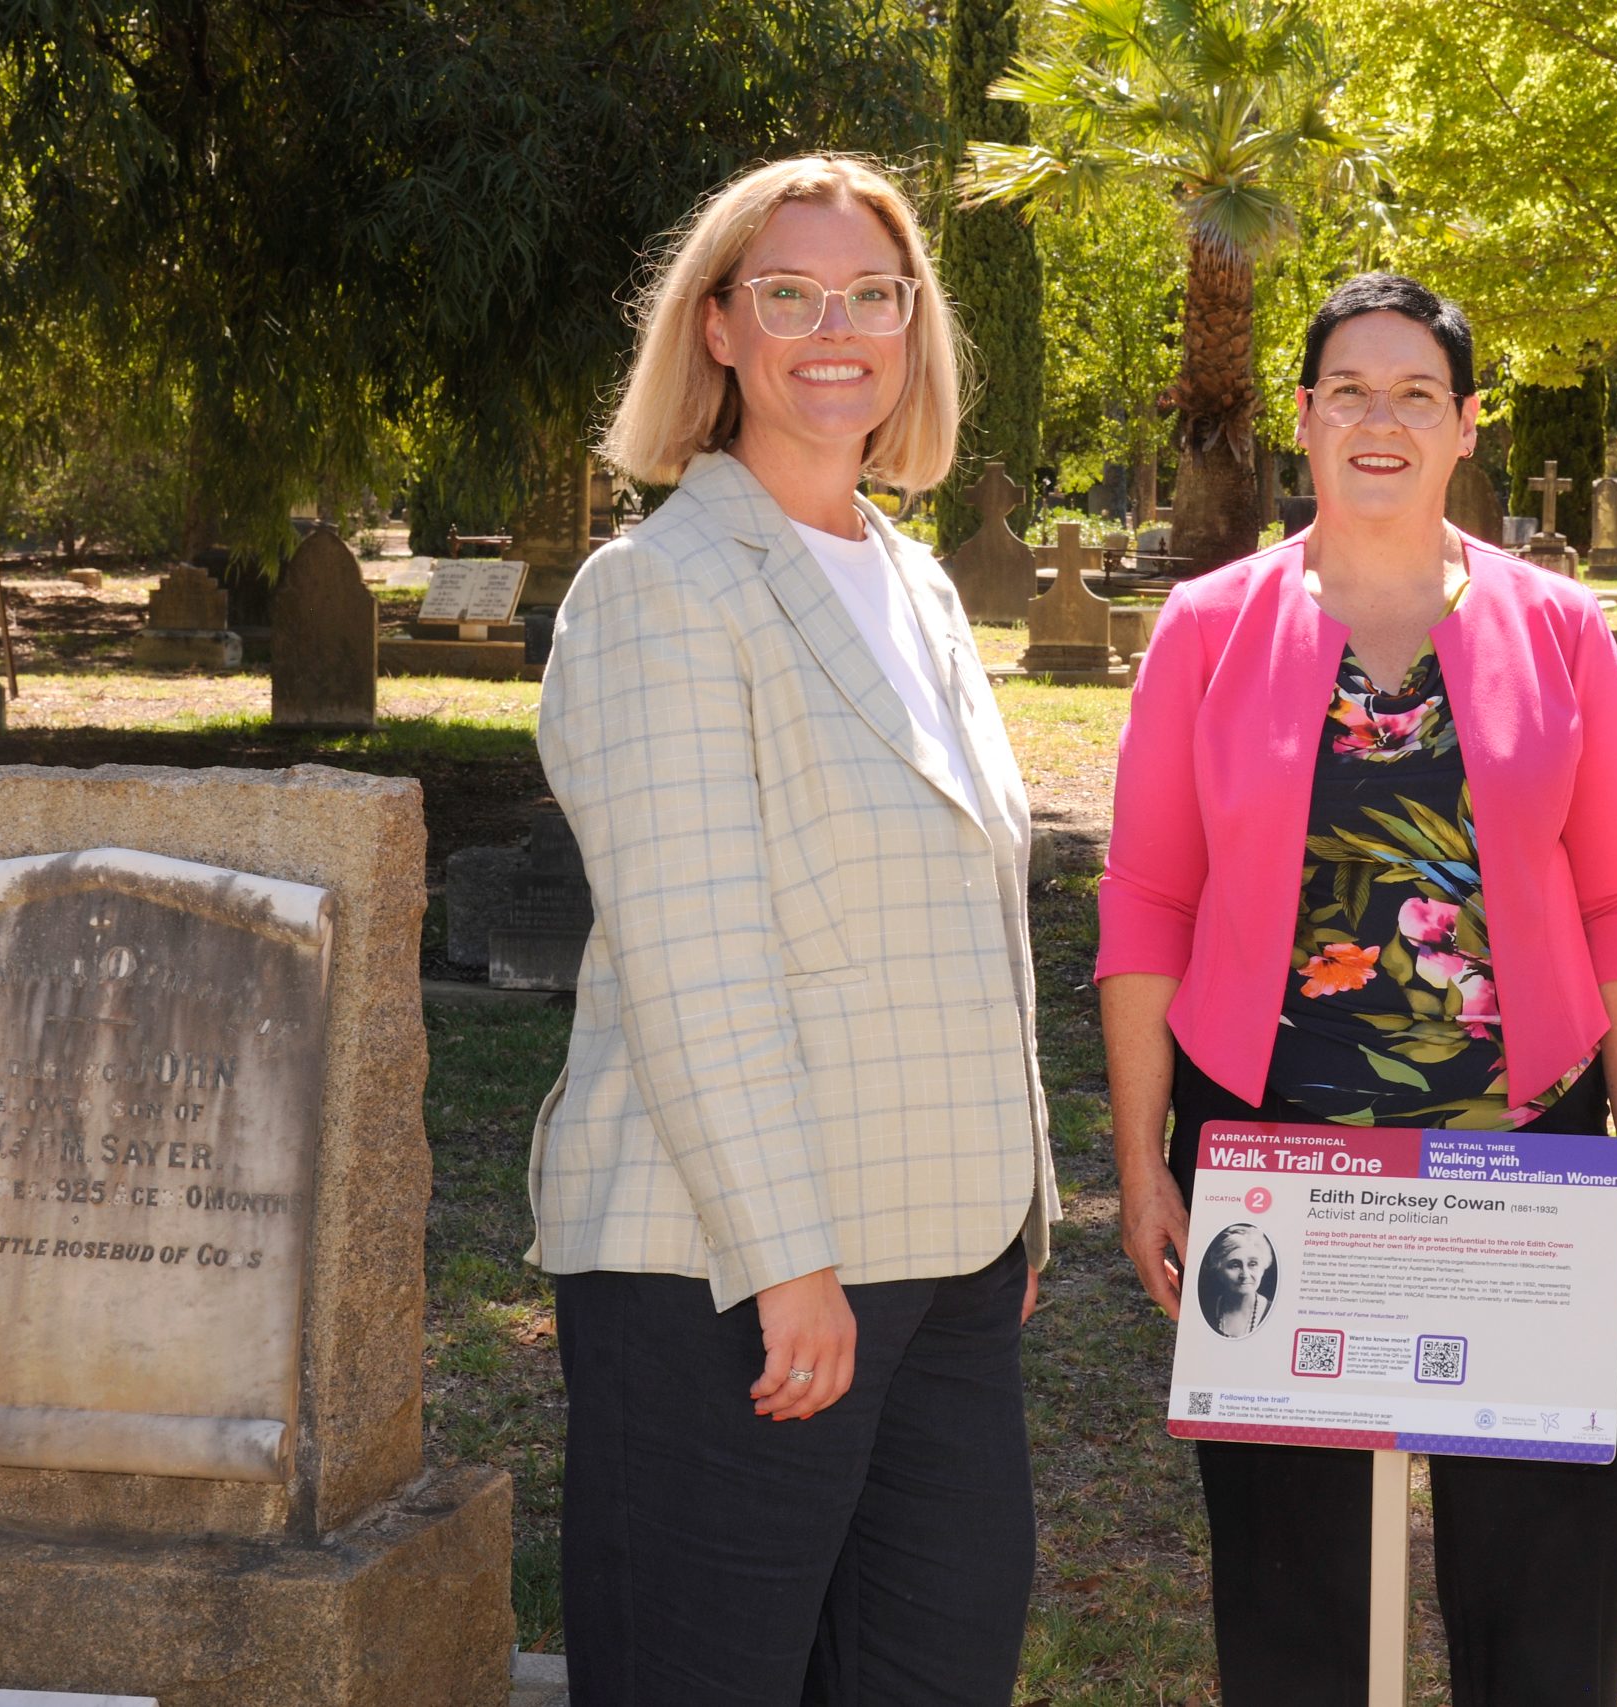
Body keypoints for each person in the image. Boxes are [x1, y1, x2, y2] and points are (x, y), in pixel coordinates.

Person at [528, 153, 1058, 1707]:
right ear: (717, 329)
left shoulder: (919, 584)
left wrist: (1017, 1197)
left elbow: (967, 916)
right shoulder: (662, 590)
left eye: (873, 295)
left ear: (913, 325)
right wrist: (790, 1265)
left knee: (936, 1665)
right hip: (738, 1277)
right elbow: (699, 960)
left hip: (947, 1260)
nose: (838, 329)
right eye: (789, 295)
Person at [1096, 272, 1617, 1706]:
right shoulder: (1208, 627)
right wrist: (1140, 1159)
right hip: (1278, 1160)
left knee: (1543, 1605)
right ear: (1302, 416)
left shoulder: (1563, 630)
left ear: (1469, 424)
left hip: (1524, 1164)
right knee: (1297, 1612)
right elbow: (1150, 900)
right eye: (1349, 387)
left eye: (1419, 392)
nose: (1382, 418)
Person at [1199, 1225, 1277, 1338]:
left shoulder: (1274, 1312)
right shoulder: (1206, 1309)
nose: (1245, 1275)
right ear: (1218, 1269)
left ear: (1263, 1267)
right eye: (1235, 1265)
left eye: (1253, 1264)